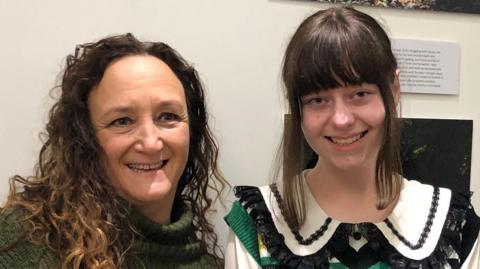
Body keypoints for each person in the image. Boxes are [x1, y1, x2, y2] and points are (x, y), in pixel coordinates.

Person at [224, 6, 480, 269]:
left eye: (359, 94)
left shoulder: (452, 226)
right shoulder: (258, 223)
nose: (341, 119)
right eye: (318, 99)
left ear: (394, 90)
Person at [0, 33, 227, 269]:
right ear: (84, 137)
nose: (151, 143)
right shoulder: (18, 242)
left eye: (168, 117)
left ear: (192, 131)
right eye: (122, 121)